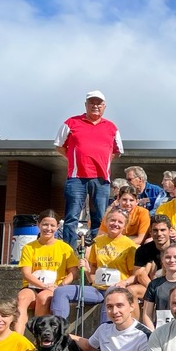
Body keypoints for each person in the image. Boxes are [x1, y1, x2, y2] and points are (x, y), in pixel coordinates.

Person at [51, 208, 144, 326]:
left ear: (125, 226)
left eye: (120, 222)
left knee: (111, 295)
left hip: (116, 288)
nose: (115, 224)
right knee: (61, 291)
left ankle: (105, 336)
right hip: (97, 289)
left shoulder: (129, 246)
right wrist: (86, 268)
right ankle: (58, 328)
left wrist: (124, 283)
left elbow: (135, 275)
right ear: (106, 222)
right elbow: (93, 269)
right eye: (112, 220)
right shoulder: (98, 241)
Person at [55, 90, 122, 246]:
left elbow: (117, 152)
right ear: (86, 105)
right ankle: (69, 252)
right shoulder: (71, 122)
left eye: (99, 103)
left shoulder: (111, 127)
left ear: (104, 106)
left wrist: (102, 160)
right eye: (92, 102)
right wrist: (74, 158)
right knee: (72, 216)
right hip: (76, 178)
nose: (95, 106)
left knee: (100, 216)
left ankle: (97, 251)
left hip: (101, 179)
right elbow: (59, 146)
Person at [16, 210, 80, 334]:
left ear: (57, 227)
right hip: (32, 286)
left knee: (43, 298)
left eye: (52, 225)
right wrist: (43, 285)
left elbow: (73, 272)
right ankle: (17, 339)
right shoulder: (29, 247)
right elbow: (26, 273)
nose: (48, 228)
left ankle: (38, 336)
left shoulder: (65, 248)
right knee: (21, 298)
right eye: (45, 224)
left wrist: (60, 286)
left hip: (54, 288)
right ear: (38, 225)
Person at [135, 214, 176, 283]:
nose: (159, 234)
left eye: (163, 230)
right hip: (151, 287)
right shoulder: (143, 250)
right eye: (155, 230)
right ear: (150, 232)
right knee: (133, 289)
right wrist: (153, 289)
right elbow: (137, 275)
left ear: (170, 231)